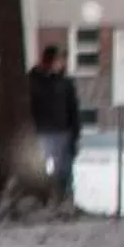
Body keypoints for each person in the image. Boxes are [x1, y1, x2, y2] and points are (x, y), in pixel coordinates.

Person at [28, 43, 82, 201]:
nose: (62, 63)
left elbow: (73, 109)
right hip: (40, 133)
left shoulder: (65, 82)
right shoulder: (33, 80)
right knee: (36, 171)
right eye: (60, 59)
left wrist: (75, 135)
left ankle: (64, 198)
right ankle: (41, 199)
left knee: (64, 172)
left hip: (62, 133)